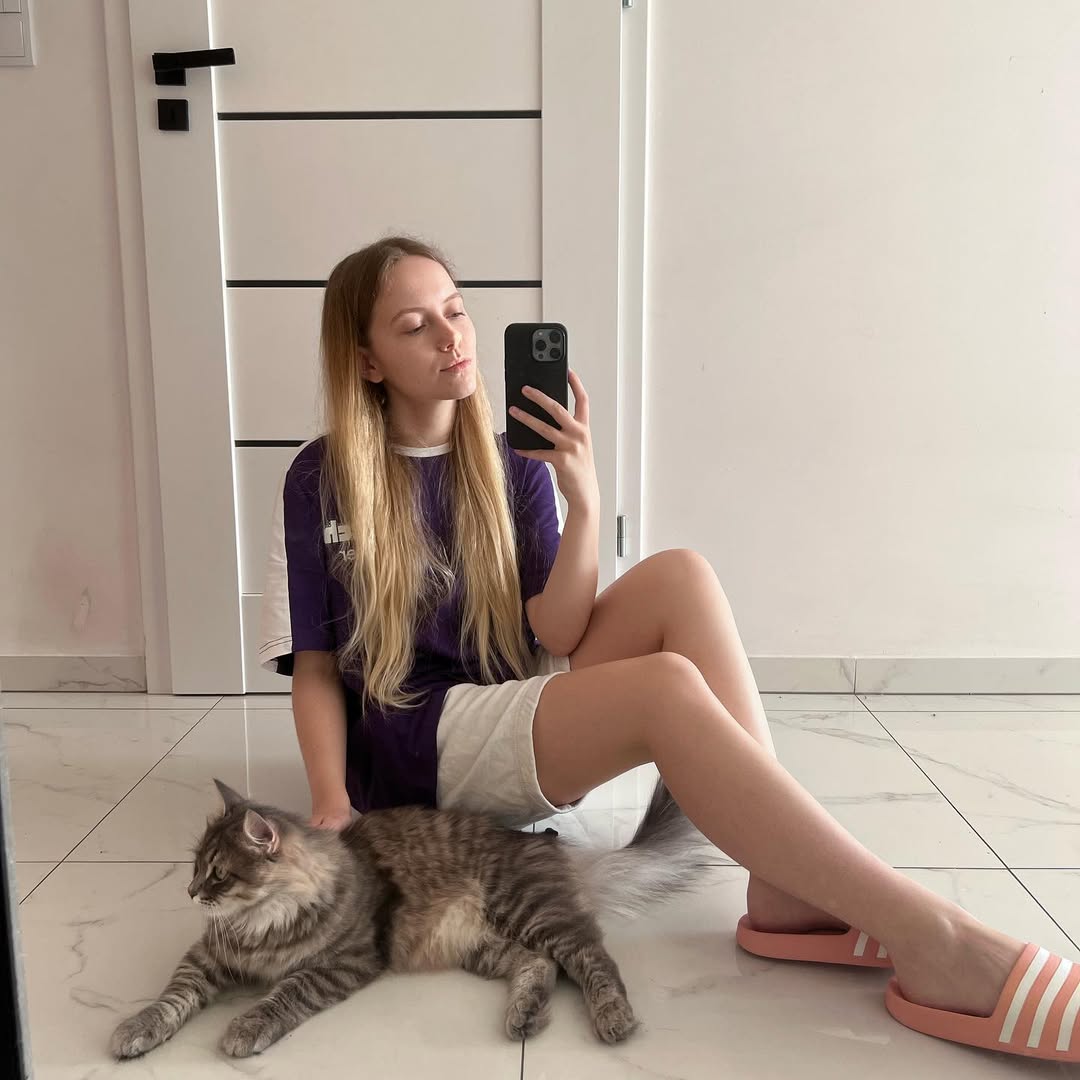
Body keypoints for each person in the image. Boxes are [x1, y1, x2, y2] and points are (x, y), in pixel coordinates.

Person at [258, 236, 1077, 1063]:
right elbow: (318, 667)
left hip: (508, 697)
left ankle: (784, 888)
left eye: (456, 311)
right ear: (367, 361)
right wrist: (330, 804)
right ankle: (934, 938)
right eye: (415, 326)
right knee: (663, 689)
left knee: (682, 575)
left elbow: (558, 633)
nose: (451, 337)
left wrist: (583, 497)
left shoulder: (511, 458)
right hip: (415, 740)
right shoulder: (321, 478)